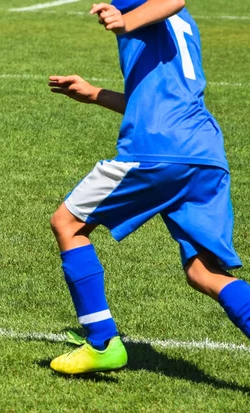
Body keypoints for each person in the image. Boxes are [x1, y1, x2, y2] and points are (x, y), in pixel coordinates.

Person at [48, 0, 250, 375]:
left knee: (67, 224)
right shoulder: (181, 26)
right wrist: (94, 94)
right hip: (204, 153)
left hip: (160, 150)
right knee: (204, 273)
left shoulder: (151, 13)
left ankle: (102, 342)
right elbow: (154, 101)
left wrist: (125, 21)